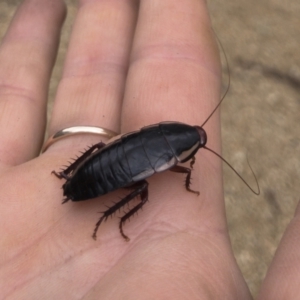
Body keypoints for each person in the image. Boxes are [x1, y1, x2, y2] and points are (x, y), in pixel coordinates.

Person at [0, 0, 298, 299]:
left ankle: (73, 182)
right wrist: (188, 181)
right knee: (142, 190)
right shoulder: (177, 162)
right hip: (105, 172)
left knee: (115, 160)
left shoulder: (164, 137)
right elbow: (182, 168)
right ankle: (100, 211)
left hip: (108, 161)